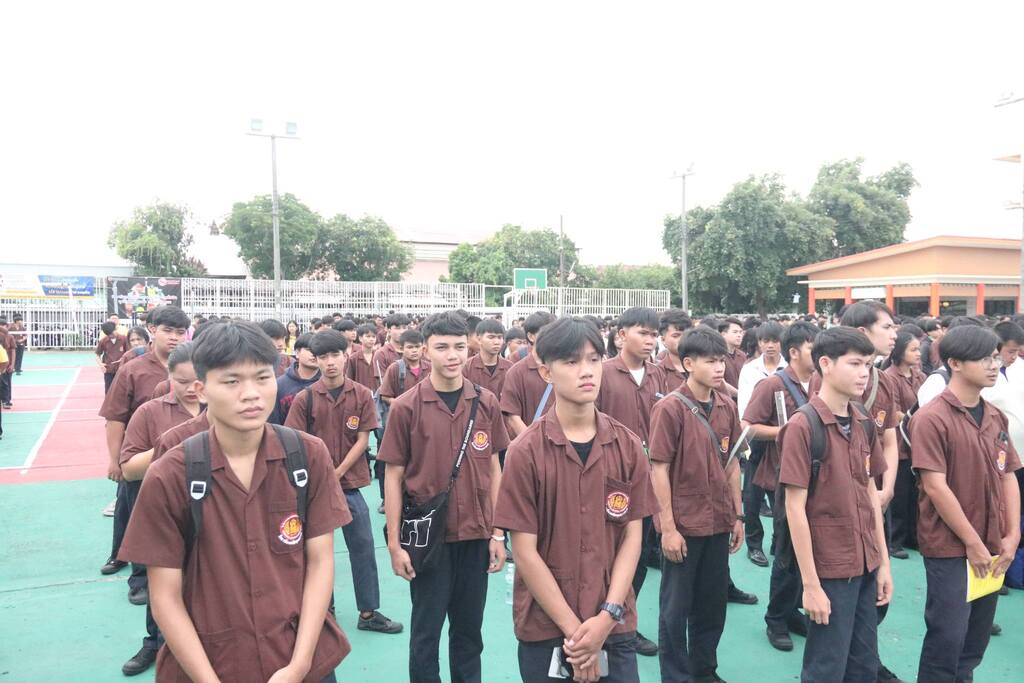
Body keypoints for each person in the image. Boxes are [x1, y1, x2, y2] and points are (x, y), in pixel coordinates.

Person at [118, 319, 352, 682]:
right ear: (201, 390)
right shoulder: (171, 474)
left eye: (262, 377)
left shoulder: (307, 456)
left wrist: (300, 664)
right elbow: (164, 596)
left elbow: (321, 562)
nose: (251, 393)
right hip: (214, 662)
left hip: (297, 654)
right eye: (232, 381)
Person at [494, 317, 658, 682]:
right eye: (571, 361)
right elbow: (524, 551)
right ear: (546, 372)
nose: (586, 371)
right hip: (546, 624)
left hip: (613, 622)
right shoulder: (525, 451)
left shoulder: (627, 445)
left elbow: (632, 537)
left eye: (593, 359)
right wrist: (578, 634)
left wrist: (607, 616)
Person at [378, 311, 510, 683]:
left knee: (469, 633)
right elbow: (393, 475)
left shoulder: (485, 402)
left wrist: (498, 533)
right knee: (426, 633)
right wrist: (394, 545)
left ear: (468, 347)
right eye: (441, 347)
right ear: (425, 350)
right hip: (428, 540)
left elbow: (495, 467)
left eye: (458, 346)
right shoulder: (406, 407)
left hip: (475, 535)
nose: (452, 355)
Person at [778, 326, 892, 683]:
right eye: (855, 363)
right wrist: (811, 585)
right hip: (830, 569)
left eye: (868, 365)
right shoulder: (803, 426)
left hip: (866, 563)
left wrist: (883, 564)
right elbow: (794, 510)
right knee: (826, 666)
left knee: (863, 666)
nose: (864, 373)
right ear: (825, 364)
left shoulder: (863, 422)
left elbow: (871, 498)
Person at [909, 325, 1022, 682]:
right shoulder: (931, 418)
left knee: (974, 640)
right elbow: (935, 486)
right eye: (984, 358)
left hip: (991, 542)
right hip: (950, 547)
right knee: (947, 636)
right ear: (955, 363)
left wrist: (1012, 535)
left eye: (995, 357)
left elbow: (1008, 474)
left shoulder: (994, 416)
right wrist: (972, 543)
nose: (994, 365)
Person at [284, 331, 403, 636]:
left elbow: (363, 440)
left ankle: (368, 611)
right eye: (322, 357)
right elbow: (296, 442)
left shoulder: (361, 394)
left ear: (346, 355)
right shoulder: (306, 398)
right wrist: (324, 475)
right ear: (315, 360)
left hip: (349, 486)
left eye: (335, 355)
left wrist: (336, 473)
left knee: (363, 545)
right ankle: (325, 610)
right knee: (316, 552)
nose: (330, 362)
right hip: (314, 490)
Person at [650, 327, 743, 683]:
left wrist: (738, 515)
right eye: (711, 361)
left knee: (712, 605)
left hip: (718, 520)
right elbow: (658, 469)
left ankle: (705, 670)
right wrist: (668, 529)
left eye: (722, 361)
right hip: (685, 525)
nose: (719, 368)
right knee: (675, 609)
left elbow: (732, 464)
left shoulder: (727, 406)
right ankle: (676, 676)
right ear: (688, 364)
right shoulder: (669, 408)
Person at [116, 342, 203, 676]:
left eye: (198, 381)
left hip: (212, 512)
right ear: (169, 377)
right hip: (166, 513)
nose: (192, 389)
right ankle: (155, 643)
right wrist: (175, 446)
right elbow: (129, 469)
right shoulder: (150, 413)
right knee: (163, 585)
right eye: (182, 381)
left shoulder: (223, 410)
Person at [98, 306, 190, 591]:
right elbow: (115, 418)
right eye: (167, 331)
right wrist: (115, 460)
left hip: (182, 461)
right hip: (140, 457)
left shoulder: (193, 367)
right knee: (135, 514)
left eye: (180, 332)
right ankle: (137, 577)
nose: (174, 338)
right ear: (152, 329)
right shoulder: (133, 369)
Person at [595, 307, 668, 658]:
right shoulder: (603, 373)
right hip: (607, 480)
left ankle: (624, 621)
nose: (650, 340)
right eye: (643, 333)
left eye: (654, 334)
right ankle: (600, 618)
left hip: (648, 480)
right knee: (604, 553)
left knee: (637, 555)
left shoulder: (658, 375)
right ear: (622, 335)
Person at [741, 321, 819, 651]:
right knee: (786, 551)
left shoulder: (820, 381)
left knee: (807, 550)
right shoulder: (773, 384)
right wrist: (787, 431)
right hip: (783, 477)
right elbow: (747, 426)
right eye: (814, 348)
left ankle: (791, 611)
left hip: (815, 479)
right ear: (795, 352)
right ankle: (776, 618)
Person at [883, 332, 926, 557]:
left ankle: (912, 536)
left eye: (919, 349)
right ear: (899, 352)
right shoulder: (889, 377)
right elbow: (895, 412)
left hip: (917, 442)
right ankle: (894, 540)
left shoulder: (920, 376)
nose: (918, 353)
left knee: (915, 493)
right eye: (913, 349)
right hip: (900, 442)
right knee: (899, 495)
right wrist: (919, 419)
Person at [500, 311, 556, 438]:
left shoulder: (563, 367)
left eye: (555, 332)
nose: (553, 337)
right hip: (529, 445)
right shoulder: (516, 372)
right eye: (547, 332)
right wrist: (533, 443)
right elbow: (513, 418)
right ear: (531, 336)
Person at [270, 332, 321, 424]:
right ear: (297, 353)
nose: (314, 354)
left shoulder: (327, 383)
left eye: (319, 350)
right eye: (309, 349)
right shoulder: (280, 385)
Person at [463, 319, 512, 400]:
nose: (496, 342)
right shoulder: (466, 368)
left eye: (500, 337)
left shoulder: (510, 368)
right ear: (479, 339)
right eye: (491, 337)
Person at [379, 329, 431, 404]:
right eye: (410, 347)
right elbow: (385, 396)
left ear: (423, 348)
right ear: (402, 349)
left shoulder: (430, 368)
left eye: (417, 347)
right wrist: (401, 404)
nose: (414, 350)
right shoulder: (395, 368)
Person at [656, 309, 692, 390]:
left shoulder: (701, 367)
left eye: (686, 335)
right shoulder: (657, 372)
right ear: (663, 340)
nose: (682, 339)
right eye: (676, 336)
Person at [95, 321, 130, 394]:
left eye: (112, 333)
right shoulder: (103, 341)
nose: (111, 335)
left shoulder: (124, 339)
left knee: (123, 390)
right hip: (109, 369)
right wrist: (101, 364)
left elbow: (129, 352)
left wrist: (123, 358)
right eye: (108, 334)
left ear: (116, 329)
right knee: (109, 391)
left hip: (122, 369)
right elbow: (97, 354)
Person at [717, 317, 746, 399]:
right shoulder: (717, 355)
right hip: (724, 400)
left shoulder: (742, 355)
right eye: (735, 332)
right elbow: (720, 382)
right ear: (723, 334)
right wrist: (741, 395)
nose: (739, 335)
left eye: (741, 332)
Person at [0, 318, 16, 408]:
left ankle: (6, 400)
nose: (2, 327)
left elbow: (13, 350)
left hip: (6, 363)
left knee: (6, 383)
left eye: (3, 325)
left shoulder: (9, 337)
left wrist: (12, 364)